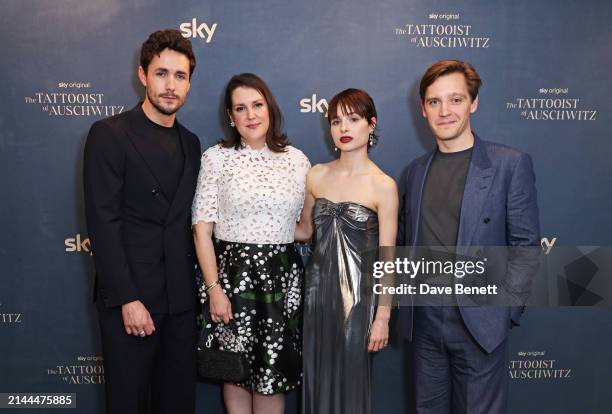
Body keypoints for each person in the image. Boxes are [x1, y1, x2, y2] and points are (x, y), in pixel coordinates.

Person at [398, 60, 540, 413]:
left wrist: (503, 311)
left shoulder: (509, 164)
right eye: (434, 102)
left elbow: (526, 247)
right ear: (423, 109)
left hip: (479, 323)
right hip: (424, 323)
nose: (445, 111)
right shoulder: (414, 172)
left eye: (456, 100)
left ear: (473, 103)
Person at [83, 29, 200, 414]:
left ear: (189, 83)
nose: (170, 85)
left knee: (177, 405)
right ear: (143, 75)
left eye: (180, 76)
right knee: (127, 405)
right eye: (162, 73)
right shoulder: (109, 135)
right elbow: (103, 223)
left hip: (181, 302)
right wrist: (127, 299)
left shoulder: (192, 143)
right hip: (131, 302)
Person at [192, 73, 310, 414]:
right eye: (240, 108)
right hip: (231, 276)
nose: (251, 115)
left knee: (272, 375)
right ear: (231, 117)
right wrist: (214, 288)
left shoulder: (298, 161)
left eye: (257, 105)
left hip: (281, 279)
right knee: (235, 372)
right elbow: (201, 229)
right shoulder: (217, 158)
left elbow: (301, 230)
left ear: (269, 108)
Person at [296, 88, 399, 414]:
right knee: (316, 378)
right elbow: (303, 232)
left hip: (358, 300)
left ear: (371, 124)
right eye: (336, 121)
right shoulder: (316, 174)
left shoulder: (383, 185)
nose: (344, 128)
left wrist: (382, 316)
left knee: (351, 386)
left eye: (353, 119)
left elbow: (388, 257)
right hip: (316, 295)